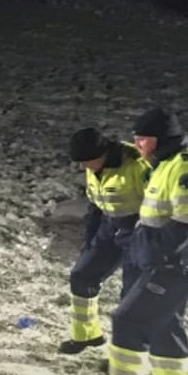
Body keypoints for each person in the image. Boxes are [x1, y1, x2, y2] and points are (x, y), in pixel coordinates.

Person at [85, 107, 188, 375]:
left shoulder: (187, 168)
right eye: (135, 139)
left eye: (143, 139)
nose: (137, 145)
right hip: (168, 262)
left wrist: (159, 258)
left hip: (174, 266)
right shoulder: (165, 164)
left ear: (161, 139)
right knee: (165, 324)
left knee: (127, 318)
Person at [60, 128, 149, 354]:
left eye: (86, 161)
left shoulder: (138, 165)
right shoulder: (94, 163)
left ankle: (131, 353)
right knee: (82, 276)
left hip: (140, 231)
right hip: (109, 226)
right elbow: (96, 205)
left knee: (132, 295)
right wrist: (90, 240)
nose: (82, 167)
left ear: (102, 154)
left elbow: (161, 204)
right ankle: (87, 335)